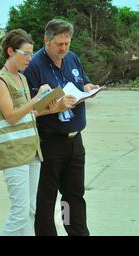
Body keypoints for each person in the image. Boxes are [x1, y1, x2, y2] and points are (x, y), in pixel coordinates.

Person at [23, 19, 99, 236]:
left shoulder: (72, 58)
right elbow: (30, 107)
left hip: (75, 140)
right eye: (59, 44)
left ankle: (77, 233)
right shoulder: (34, 65)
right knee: (46, 200)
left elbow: (81, 82)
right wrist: (54, 106)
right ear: (46, 41)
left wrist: (88, 87)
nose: (64, 49)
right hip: (50, 141)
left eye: (67, 43)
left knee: (74, 196)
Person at [0, 29, 54, 236]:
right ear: (10, 51)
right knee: (20, 212)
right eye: (25, 54)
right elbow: (11, 116)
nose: (30, 59)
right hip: (13, 153)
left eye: (32, 54)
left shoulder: (21, 78)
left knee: (31, 210)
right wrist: (36, 97)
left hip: (31, 151)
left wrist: (49, 104)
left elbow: (29, 113)